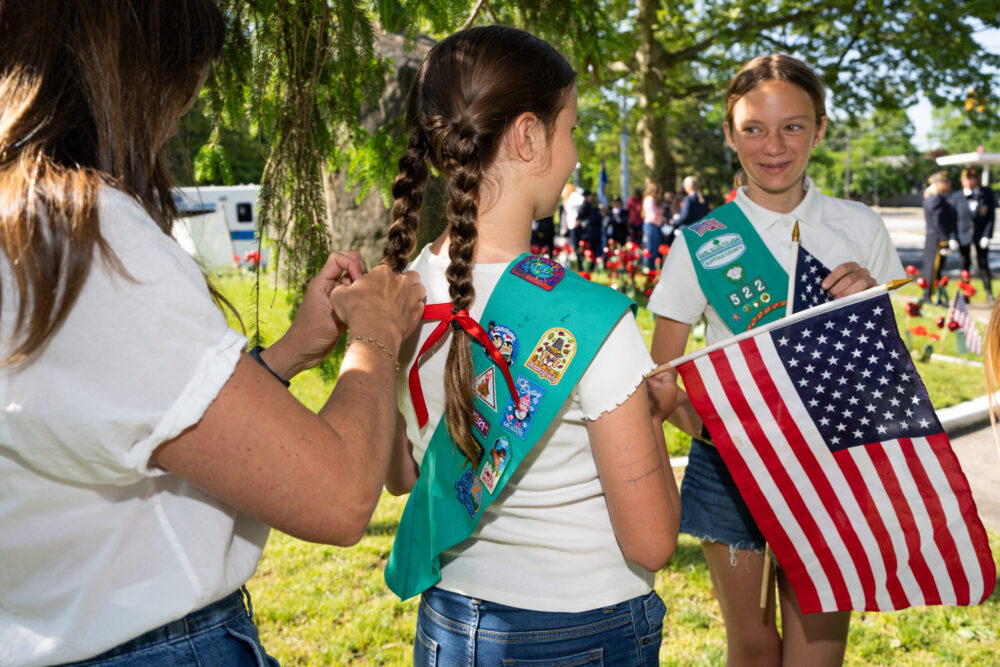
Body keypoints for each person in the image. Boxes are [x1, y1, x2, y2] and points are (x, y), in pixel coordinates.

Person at [0, 2, 426, 665]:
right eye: (174, 100)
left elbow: (122, 411)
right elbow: (340, 495)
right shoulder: (87, 243)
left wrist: (286, 354)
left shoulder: (22, 233)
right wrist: (375, 336)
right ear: (127, 73)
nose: (171, 128)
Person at [379, 25, 680, 665]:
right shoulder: (588, 319)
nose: (573, 153)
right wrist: (652, 416)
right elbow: (652, 541)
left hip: (451, 622)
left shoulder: (398, 295)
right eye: (570, 129)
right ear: (526, 135)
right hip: (582, 627)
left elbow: (402, 477)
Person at [645, 54, 904, 666]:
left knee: (819, 649)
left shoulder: (859, 226)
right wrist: (718, 432)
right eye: (753, 128)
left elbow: (894, 373)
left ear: (818, 130)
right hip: (730, 470)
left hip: (835, 464)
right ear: (730, 134)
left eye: (793, 126)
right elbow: (659, 377)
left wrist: (870, 306)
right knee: (754, 648)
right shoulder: (701, 241)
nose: (774, 145)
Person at [923, 170, 958, 303]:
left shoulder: (937, 198)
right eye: (946, 182)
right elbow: (938, 223)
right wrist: (944, 241)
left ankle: (934, 295)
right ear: (937, 184)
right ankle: (930, 296)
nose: (949, 184)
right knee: (934, 268)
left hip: (935, 238)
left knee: (937, 268)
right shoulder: (936, 199)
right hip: (937, 238)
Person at [963, 167, 996, 302]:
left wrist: (987, 235)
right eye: (967, 179)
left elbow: (991, 217)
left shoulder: (986, 194)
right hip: (963, 235)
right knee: (965, 265)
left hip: (980, 235)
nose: (970, 182)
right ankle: (966, 294)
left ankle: (988, 293)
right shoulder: (958, 196)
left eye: (973, 179)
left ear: (976, 180)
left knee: (983, 264)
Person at [643, 180, 668, 269]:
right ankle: (649, 267)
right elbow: (652, 216)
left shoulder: (654, 200)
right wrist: (663, 218)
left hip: (656, 226)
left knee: (656, 248)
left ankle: (653, 267)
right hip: (651, 225)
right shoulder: (650, 200)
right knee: (651, 248)